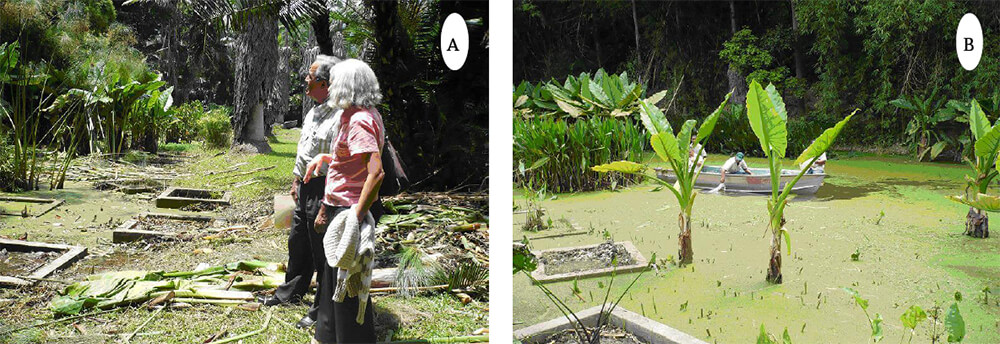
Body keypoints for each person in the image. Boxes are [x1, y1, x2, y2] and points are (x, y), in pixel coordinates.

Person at [303, 59, 383, 344]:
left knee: (347, 285)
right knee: (331, 281)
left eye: (335, 81)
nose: (331, 86)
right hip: (340, 205)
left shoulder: (361, 119)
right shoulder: (352, 115)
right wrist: (328, 158)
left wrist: (356, 216)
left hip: (349, 208)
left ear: (347, 85)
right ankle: (327, 336)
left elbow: (376, 172)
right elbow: (352, 160)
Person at [258, 54, 341, 330]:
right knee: (298, 241)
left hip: (325, 187)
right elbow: (304, 151)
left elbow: (340, 159)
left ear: (325, 83)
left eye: (310, 76)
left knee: (321, 250)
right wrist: (295, 181)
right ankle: (290, 292)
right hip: (305, 185)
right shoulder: (313, 110)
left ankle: (320, 309)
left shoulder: (341, 115)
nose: (305, 80)